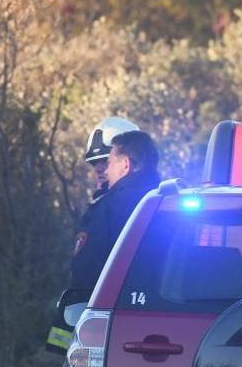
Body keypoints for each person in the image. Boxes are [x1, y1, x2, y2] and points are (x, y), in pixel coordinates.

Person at [46, 129, 161, 353]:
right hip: (168, 321)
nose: (105, 171)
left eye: (108, 163)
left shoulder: (107, 208)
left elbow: (85, 272)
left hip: (113, 327)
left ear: (125, 165)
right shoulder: (172, 203)